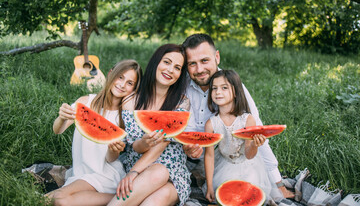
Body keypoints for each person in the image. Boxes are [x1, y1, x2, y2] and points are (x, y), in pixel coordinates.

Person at [181, 33, 294, 198]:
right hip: (189, 160)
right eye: (192, 64)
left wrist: (278, 183)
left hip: (228, 162)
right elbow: (184, 131)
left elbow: (256, 132)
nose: (199, 70)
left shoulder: (236, 88)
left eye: (204, 61)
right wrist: (188, 146)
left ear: (217, 57)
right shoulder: (180, 88)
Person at [46, 59, 142, 206]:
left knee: (58, 197)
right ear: (110, 74)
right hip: (81, 173)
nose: (122, 85)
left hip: (106, 175)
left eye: (130, 83)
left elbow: (111, 159)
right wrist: (61, 117)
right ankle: (119, 199)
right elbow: (58, 130)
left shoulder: (125, 117)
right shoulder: (85, 102)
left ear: (134, 89)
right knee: (60, 200)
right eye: (120, 77)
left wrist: (113, 150)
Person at [107, 44, 191, 206]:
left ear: (180, 74)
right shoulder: (131, 101)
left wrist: (132, 173)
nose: (170, 70)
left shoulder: (182, 103)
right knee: (155, 183)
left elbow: (161, 146)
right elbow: (135, 146)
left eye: (177, 68)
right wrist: (144, 144)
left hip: (173, 174)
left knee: (158, 181)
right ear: (156, 62)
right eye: (166, 62)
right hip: (140, 170)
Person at [203, 70, 283, 204]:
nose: (217, 92)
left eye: (224, 88)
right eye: (214, 88)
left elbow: (250, 155)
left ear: (235, 92)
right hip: (223, 166)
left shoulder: (247, 120)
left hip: (248, 166)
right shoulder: (211, 124)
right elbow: (209, 156)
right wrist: (209, 186)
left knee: (247, 196)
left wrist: (254, 144)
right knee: (225, 196)